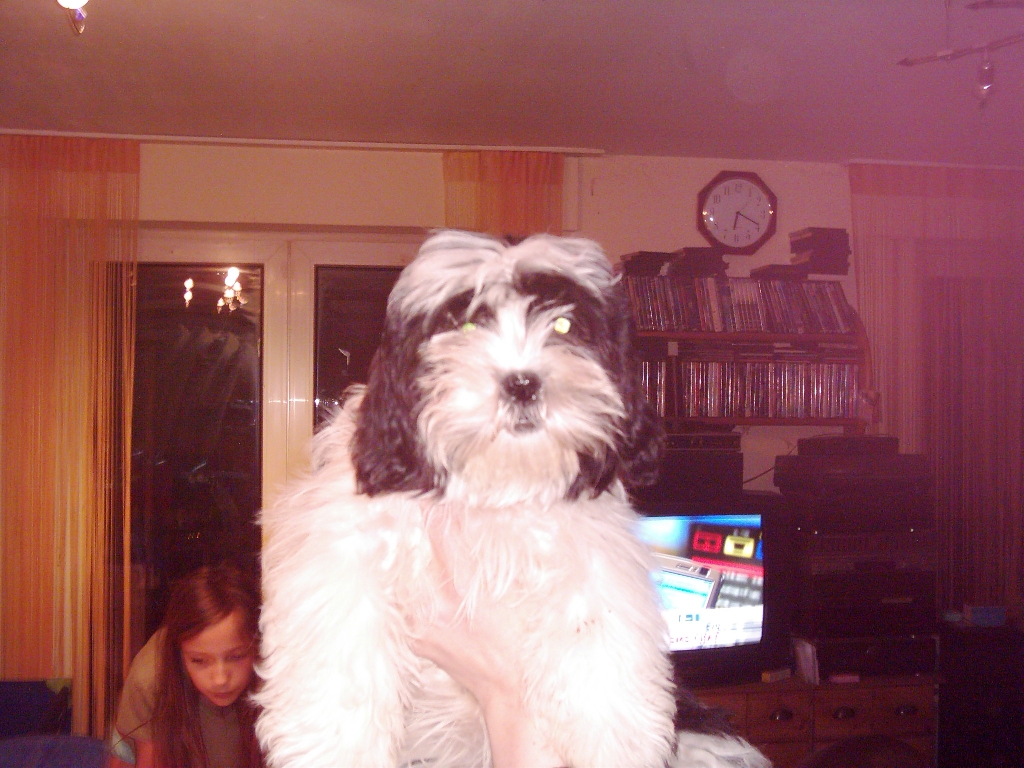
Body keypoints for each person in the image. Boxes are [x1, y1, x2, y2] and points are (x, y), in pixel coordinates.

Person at [109, 564, 262, 768]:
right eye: (198, 660)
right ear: (178, 653)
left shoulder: (281, 671)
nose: (220, 679)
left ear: (258, 645)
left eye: (236, 657)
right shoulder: (150, 679)